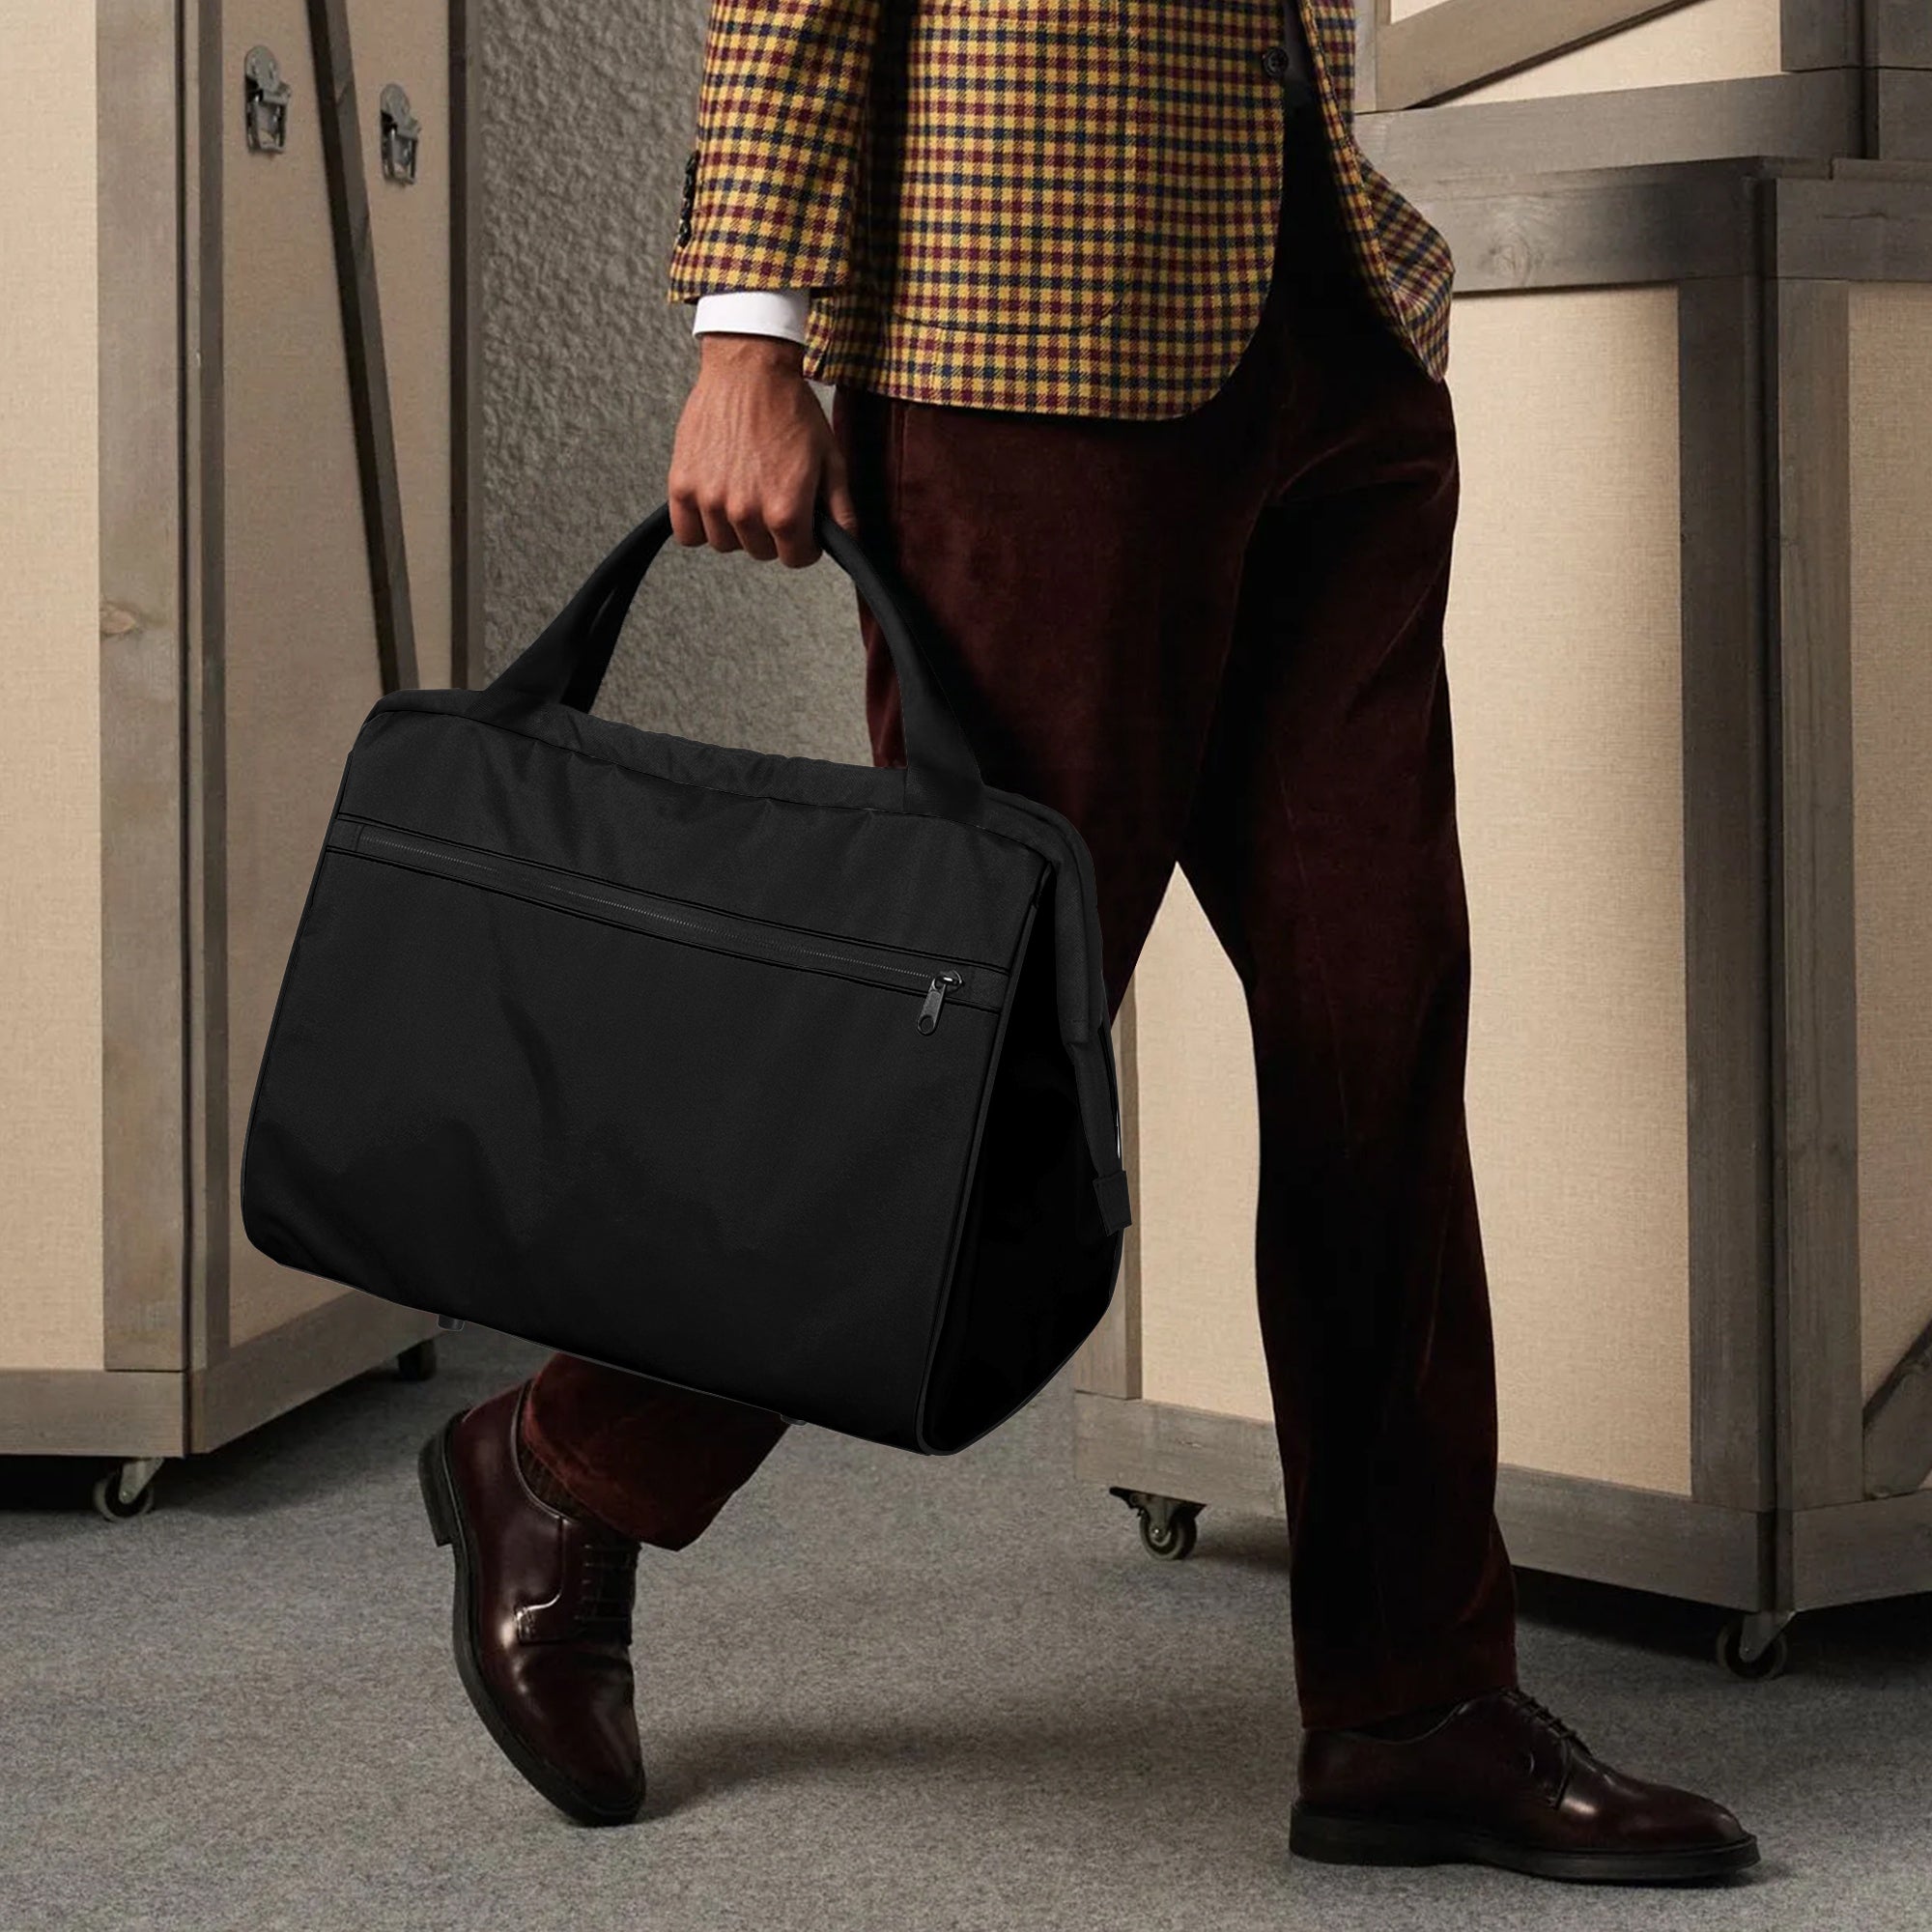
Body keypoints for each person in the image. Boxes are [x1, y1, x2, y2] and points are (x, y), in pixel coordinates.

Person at [415, 0, 1762, 1884]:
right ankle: (570, 1459)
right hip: (1027, 318)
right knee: (978, 1053)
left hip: (1330, 312)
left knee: (1378, 1027)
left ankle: (1414, 1705)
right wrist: (747, 329)